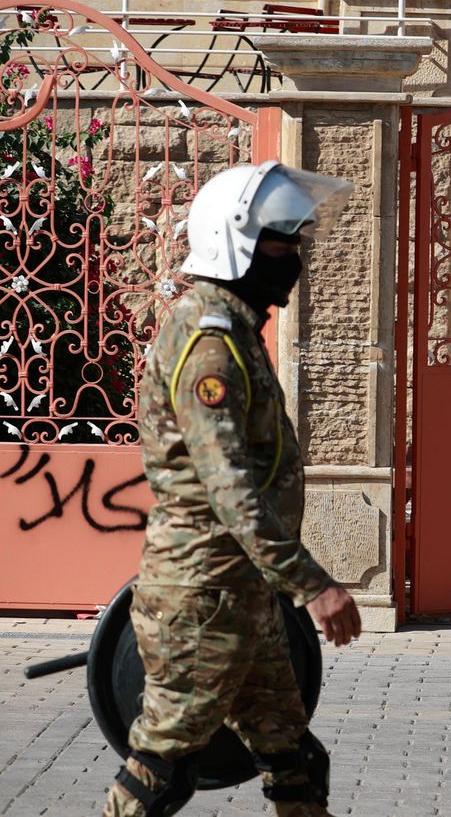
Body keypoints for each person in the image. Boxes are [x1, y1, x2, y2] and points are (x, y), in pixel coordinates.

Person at [103, 161, 362, 817]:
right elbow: (231, 489)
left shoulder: (234, 330)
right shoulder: (209, 343)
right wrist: (315, 585)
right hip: (203, 596)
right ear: (235, 242)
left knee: (292, 756)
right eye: (282, 241)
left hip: (242, 595)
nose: (294, 256)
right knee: (162, 768)